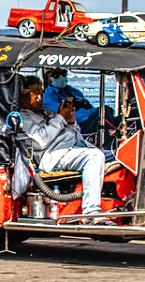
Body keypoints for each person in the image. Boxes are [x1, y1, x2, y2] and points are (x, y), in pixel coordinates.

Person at [18, 85, 110, 223]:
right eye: (35, 92)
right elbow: (40, 141)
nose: (40, 96)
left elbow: (74, 134)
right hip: (54, 155)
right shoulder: (23, 118)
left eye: (41, 92)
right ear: (24, 95)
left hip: (74, 148)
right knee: (95, 157)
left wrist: (71, 121)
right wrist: (61, 117)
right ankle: (91, 211)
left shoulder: (46, 113)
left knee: (117, 155)